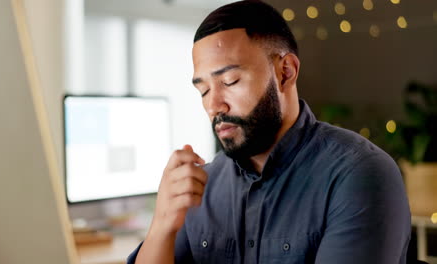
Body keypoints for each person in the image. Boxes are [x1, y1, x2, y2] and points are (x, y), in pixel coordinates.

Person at [128, 0, 411, 263]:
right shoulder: (203, 186)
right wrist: (162, 225)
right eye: (203, 90)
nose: (213, 105)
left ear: (285, 72)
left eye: (230, 81)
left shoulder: (359, 175)